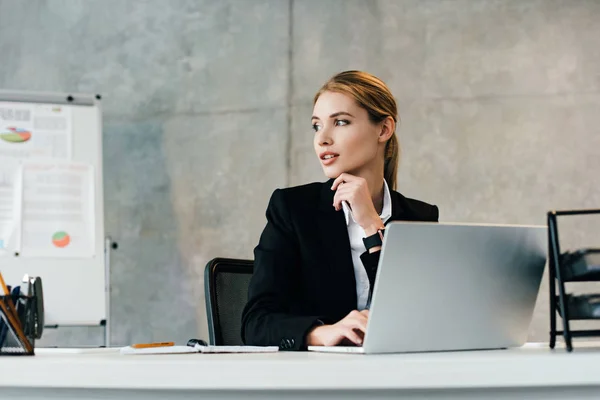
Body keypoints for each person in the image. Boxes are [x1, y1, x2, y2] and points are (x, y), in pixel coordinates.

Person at [241, 70, 439, 351]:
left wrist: (372, 225)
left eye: (341, 122)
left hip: (397, 377)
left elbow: (421, 317)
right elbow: (256, 322)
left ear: (383, 129)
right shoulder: (293, 209)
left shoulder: (419, 217)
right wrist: (323, 333)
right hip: (318, 381)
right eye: (316, 126)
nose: (322, 139)